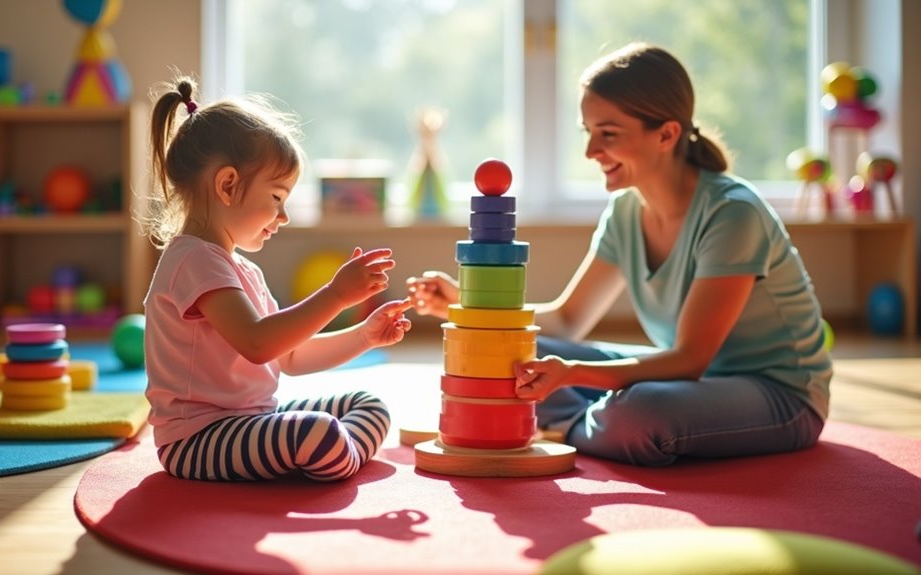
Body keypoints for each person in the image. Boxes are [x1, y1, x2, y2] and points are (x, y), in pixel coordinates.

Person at [406, 42, 832, 467]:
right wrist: (466, 308)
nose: (591, 151)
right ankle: (588, 421)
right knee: (525, 354)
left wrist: (572, 375)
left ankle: (570, 423)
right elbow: (568, 320)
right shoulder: (626, 211)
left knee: (641, 411)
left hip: (779, 395)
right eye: (588, 132)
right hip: (690, 382)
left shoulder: (733, 213)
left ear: (666, 134)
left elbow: (690, 359)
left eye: (608, 134)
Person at [143, 77, 413, 482]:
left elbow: (288, 356)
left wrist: (364, 337)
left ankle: (333, 455)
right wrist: (336, 295)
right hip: (197, 440)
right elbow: (258, 343)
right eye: (276, 198)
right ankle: (333, 454)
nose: (283, 218)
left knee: (368, 404)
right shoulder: (192, 259)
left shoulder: (242, 269)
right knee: (317, 432)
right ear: (228, 185)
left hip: (254, 422)